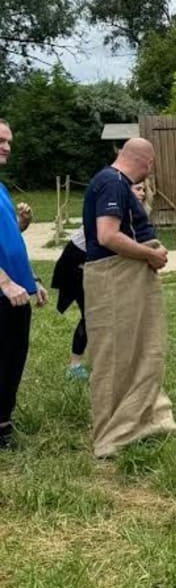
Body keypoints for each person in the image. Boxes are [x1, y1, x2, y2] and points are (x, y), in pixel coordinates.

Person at [82, 137, 176, 458]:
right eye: (151, 166)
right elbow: (107, 235)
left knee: (142, 348)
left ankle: (147, 416)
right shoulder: (112, 183)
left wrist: (151, 250)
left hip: (129, 276)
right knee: (115, 355)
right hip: (114, 277)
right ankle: (111, 433)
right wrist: (149, 255)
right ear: (146, 162)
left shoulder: (116, 183)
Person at [49, 180, 151, 381]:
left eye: (144, 190)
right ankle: (75, 366)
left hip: (97, 263)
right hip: (76, 262)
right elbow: (112, 241)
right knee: (92, 313)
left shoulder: (133, 213)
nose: (142, 193)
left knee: (111, 312)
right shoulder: (112, 208)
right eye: (137, 189)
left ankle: (112, 360)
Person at [0, 119, 48, 448]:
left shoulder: (1, 187)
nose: (6, 147)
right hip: (3, 290)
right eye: (0, 140)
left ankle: (3, 421)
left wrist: (30, 279)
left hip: (15, 291)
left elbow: (6, 240)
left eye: (9, 142)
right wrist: (4, 282)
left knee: (13, 356)